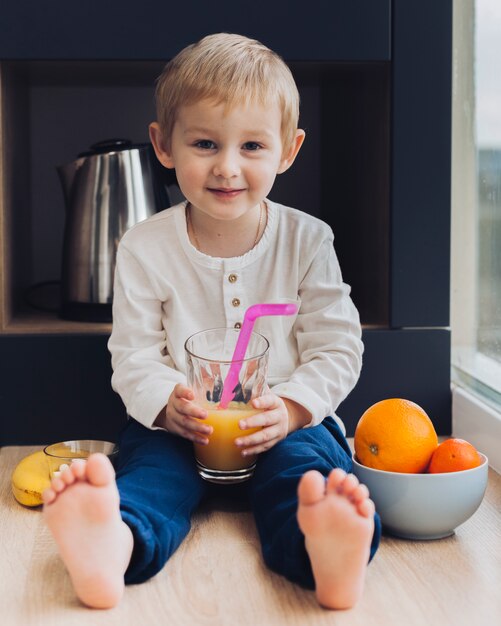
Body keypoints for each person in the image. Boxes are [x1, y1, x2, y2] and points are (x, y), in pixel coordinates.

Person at [42, 32, 381, 611]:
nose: (227, 167)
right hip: (180, 430)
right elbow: (134, 355)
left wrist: (295, 407)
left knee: (303, 476)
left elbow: (338, 348)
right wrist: (167, 403)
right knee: (150, 478)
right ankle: (114, 545)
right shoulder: (144, 247)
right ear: (164, 145)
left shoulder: (307, 240)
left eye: (252, 146)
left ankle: (323, 551)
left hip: (284, 427)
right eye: (204, 143)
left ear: (289, 150)